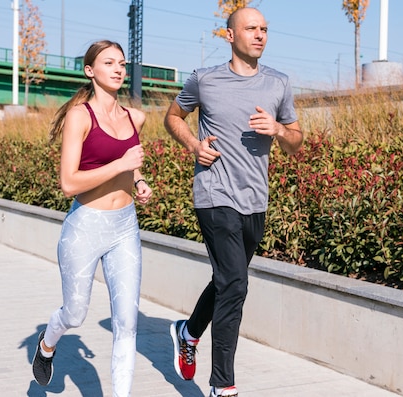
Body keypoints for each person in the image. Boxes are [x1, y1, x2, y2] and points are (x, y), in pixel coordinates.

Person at [163, 7, 303, 397]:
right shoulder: (204, 80)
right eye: (251, 28)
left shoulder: (279, 83)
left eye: (264, 29)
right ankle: (222, 385)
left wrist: (278, 129)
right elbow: (173, 116)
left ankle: (187, 333)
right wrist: (194, 144)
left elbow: (296, 142)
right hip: (214, 194)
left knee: (227, 281)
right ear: (230, 35)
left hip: (255, 200)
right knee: (236, 284)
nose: (259, 35)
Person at [31, 40, 152, 397]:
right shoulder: (80, 116)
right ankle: (47, 344)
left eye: (122, 64)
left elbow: (127, 167)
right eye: (109, 63)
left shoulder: (136, 117)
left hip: (125, 227)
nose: (118, 69)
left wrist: (139, 180)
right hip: (85, 226)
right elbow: (69, 183)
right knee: (75, 313)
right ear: (90, 71)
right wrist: (123, 166)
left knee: (127, 323)